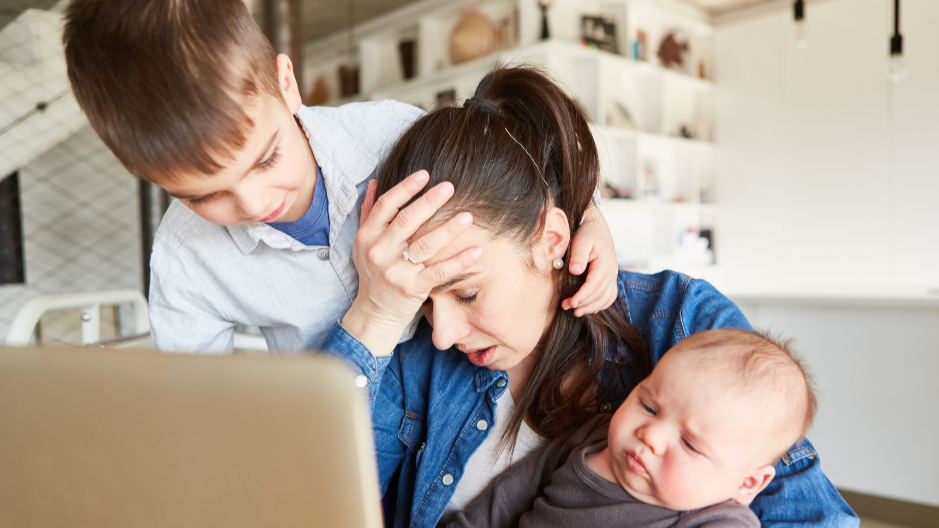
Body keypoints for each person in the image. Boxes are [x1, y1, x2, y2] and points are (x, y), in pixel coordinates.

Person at [317, 66, 859, 528]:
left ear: (553, 239)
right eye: (423, 301)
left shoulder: (678, 321)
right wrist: (376, 312)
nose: (441, 334)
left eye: (468, 292)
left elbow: (811, 515)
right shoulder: (410, 353)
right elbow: (315, 506)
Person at [61, 0, 619, 353]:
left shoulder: (390, 133)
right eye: (203, 196)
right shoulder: (185, 260)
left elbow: (514, 175)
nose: (253, 203)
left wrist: (586, 215)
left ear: (286, 84)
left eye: (265, 159)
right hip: (342, 433)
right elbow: (201, 415)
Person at [448, 328, 817, 528]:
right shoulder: (591, 437)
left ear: (747, 483)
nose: (650, 435)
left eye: (689, 444)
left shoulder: (716, 519)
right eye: (649, 407)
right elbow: (506, 499)